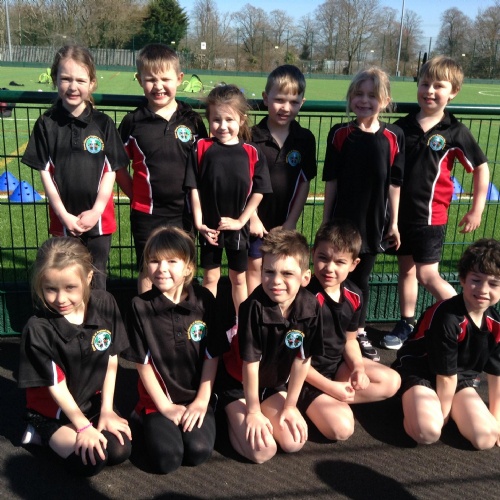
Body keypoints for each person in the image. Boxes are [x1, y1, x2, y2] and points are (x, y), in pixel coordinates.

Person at [382, 56, 490, 350]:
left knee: (427, 275)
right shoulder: (401, 127)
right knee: (406, 270)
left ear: (453, 92)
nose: (429, 91)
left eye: (438, 86)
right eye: (425, 83)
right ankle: (407, 323)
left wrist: (476, 209)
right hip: (398, 218)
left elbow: (481, 168)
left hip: (431, 217)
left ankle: (470, 322)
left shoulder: (454, 131)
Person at [18, 237, 132, 476]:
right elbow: (56, 386)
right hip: (54, 410)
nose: (60, 299)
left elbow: (111, 357)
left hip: (91, 401)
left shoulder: (105, 303)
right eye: (51, 289)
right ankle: (40, 431)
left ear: (88, 278)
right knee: (91, 461)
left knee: (119, 450)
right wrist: (83, 426)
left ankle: (91, 420)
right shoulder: (38, 329)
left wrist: (107, 410)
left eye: (70, 287)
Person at [22, 45, 129, 290]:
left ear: (92, 83)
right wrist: (63, 215)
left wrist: (96, 211)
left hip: (99, 220)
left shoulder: (103, 123)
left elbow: (111, 171)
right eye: (66, 79)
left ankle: (98, 316)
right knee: (67, 278)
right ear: (54, 79)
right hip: (64, 220)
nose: (73, 86)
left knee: (97, 276)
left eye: (80, 80)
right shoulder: (46, 124)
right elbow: (45, 175)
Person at [122, 226, 226, 474]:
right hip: (159, 401)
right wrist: (165, 407)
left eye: (171, 261)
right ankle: (143, 418)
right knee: (167, 459)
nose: (162, 268)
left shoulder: (204, 300)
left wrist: (201, 401)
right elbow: (142, 364)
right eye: (154, 261)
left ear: (188, 267)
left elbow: (212, 354)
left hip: (195, 397)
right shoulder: (139, 306)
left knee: (197, 451)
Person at [216, 227, 323, 463]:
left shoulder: (310, 307)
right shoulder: (252, 308)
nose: (276, 281)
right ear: (261, 270)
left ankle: (262, 411)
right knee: (262, 451)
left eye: (287, 274)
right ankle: (225, 409)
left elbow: (303, 359)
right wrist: (253, 411)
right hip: (238, 383)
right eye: (269, 271)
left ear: (305, 277)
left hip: (272, 384)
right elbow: (250, 364)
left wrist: (290, 406)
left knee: (293, 442)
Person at [322, 67, 405, 361]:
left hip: (374, 223)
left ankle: (358, 332)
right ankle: (331, 329)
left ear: (385, 100)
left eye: (372, 95)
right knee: (335, 276)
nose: (365, 100)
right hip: (343, 222)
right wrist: (326, 220)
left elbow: (394, 183)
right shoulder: (340, 134)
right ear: (350, 98)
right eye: (359, 94)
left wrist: (394, 223)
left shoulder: (394, 136)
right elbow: (331, 181)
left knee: (361, 279)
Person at [391, 238, 500, 449]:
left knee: (485, 438)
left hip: (460, 379)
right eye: (476, 280)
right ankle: (410, 403)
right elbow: (445, 376)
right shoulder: (448, 317)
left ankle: (440, 408)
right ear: (462, 279)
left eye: (494, 283)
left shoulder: (495, 324)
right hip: (421, 372)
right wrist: (443, 415)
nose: (483, 290)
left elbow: (496, 374)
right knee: (428, 431)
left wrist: (497, 420)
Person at [116, 43, 207, 293]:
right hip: (147, 214)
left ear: (179, 79)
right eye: (150, 80)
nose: (158, 86)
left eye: (165, 79)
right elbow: (118, 165)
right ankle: (146, 316)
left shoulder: (192, 120)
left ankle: (180, 315)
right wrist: (135, 195)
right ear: (139, 80)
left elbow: (204, 165)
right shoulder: (133, 122)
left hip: (184, 212)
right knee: (149, 269)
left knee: (182, 268)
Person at [299, 221, 401, 440]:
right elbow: (293, 360)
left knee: (392, 382)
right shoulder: (303, 299)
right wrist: (331, 388)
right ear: (312, 254)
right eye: (323, 258)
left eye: (340, 262)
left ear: (354, 264)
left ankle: (333, 401)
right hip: (304, 375)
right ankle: (318, 401)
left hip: (336, 367)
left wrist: (357, 368)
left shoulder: (354, 295)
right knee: (341, 429)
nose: (330, 268)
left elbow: (350, 340)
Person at [184, 84, 272, 324]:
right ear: (208, 119)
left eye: (229, 120)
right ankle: (207, 323)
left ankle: (241, 325)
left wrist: (241, 221)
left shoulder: (252, 152)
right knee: (210, 278)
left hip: (237, 229)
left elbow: (259, 191)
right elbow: (194, 188)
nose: (222, 126)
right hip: (209, 229)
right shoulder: (201, 148)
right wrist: (199, 223)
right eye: (216, 120)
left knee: (239, 279)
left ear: (242, 120)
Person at [248, 65, 317, 293]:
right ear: (265, 98)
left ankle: (277, 311)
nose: (286, 108)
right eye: (279, 100)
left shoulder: (305, 139)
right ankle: (252, 312)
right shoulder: (250, 136)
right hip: (254, 221)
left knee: (281, 270)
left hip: (285, 223)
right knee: (255, 267)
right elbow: (243, 183)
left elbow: (304, 182)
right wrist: (252, 218)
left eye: (293, 102)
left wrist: (291, 222)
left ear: (302, 103)